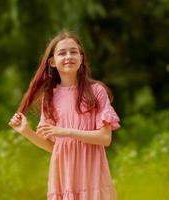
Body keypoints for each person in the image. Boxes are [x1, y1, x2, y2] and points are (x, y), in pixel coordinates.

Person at [8, 31, 120, 200]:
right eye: (62, 53)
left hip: (92, 177)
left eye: (73, 51)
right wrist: (26, 131)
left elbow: (105, 138)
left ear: (81, 58)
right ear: (52, 62)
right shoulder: (49, 97)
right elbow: (54, 147)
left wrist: (65, 132)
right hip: (64, 179)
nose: (69, 56)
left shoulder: (96, 91)